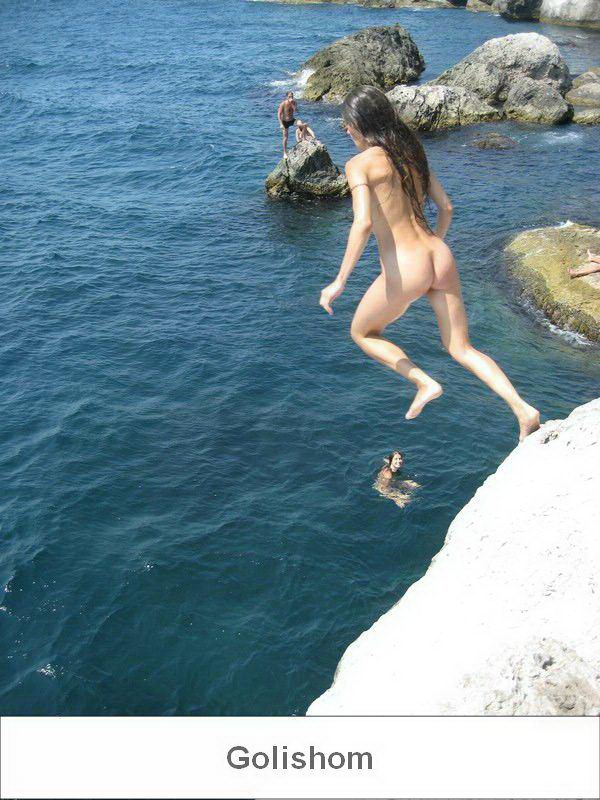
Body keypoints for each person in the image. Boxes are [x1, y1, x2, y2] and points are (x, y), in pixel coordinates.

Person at [319, 85, 540, 442]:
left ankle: (424, 382)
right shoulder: (412, 152)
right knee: (461, 348)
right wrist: (434, 243)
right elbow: (447, 207)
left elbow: (362, 224)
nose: (346, 129)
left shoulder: (358, 165)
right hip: (440, 254)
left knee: (362, 333)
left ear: (360, 124)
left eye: (347, 123)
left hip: (407, 267)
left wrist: (339, 281)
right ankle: (524, 410)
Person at [278, 91, 298, 159]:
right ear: (286, 97)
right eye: (289, 96)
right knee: (285, 137)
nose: (291, 98)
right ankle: (284, 153)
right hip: (285, 122)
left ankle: (301, 139)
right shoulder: (283, 104)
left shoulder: (294, 102)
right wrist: (281, 124)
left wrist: (292, 104)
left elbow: (296, 111)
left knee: (302, 125)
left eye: (292, 96)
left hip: (292, 120)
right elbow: (279, 114)